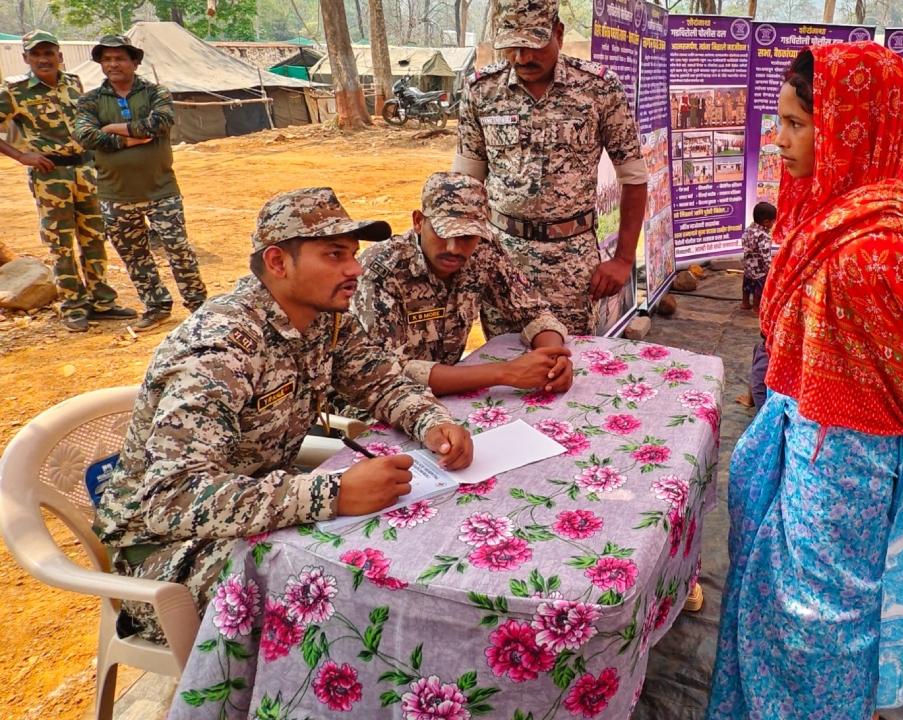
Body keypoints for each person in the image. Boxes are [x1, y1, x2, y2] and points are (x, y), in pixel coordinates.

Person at [94, 188, 473, 643]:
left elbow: (382, 383)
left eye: (353, 254)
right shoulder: (220, 348)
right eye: (334, 255)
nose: (354, 268)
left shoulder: (325, 319)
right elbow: (170, 497)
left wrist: (432, 423)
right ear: (277, 262)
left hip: (260, 509)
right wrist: (330, 493)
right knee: (339, 600)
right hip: (167, 557)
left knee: (399, 554)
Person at [707, 44, 903, 718]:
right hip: (806, 438)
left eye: (795, 124)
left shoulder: (879, 247)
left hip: (846, 465)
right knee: (778, 605)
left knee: (818, 624)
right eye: (779, 120)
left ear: (850, 125)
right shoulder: (832, 219)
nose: (779, 140)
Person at [453, 0, 646, 337]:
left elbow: (634, 177)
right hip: (503, 259)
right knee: (504, 365)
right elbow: (465, 183)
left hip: (571, 262)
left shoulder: (599, 89)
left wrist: (624, 259)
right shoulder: (481, 90)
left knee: (572, 363)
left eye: (534, 45)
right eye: (512, 47)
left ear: (558, 32)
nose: (522, 58)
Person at [351, 172, 573, 397]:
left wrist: (553, 359)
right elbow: (387, 373)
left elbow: (534, 312)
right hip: (379, 406)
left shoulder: (483, 251)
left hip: (448, 396)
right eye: (442, 232)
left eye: (466, 236)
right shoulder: (381, 270)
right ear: (419, 222)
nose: (453, 249)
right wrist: (504, 373)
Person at [0, 30, 135, 332]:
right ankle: (73, 305)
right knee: (60, 242)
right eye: (36, 54)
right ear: (26, 59)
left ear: (60, 56)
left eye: (49, 53)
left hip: (86, 171)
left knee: (94, 237)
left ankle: (102, 301)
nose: (44, 59)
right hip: (51, 176)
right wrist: (22, 156)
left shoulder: (73, 82)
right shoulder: (14, 90)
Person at [73, 35, 207, 330]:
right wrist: (132, 139)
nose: (113, 64)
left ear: (134, 61)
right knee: (135, 256)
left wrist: (110, 129)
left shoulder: (156, 93)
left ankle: (198, 306)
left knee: (178, 249)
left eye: (119, 58)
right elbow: (85, 136)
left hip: (161, 190)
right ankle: (156, 305)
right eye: (107, 59)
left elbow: (159, 123)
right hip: (115, 194)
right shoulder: (90, 100)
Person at [740, 201, 775, 311]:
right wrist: (770, 268)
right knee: (759, 287)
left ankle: (745, 303)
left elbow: (744, 243)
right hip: (760, 268)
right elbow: (765, 254)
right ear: (766, 222)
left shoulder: (749, 229)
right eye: (773, 221)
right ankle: (757, 306)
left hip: (748, 265)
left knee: (747, 284)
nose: (773, 224)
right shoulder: (763, 236)